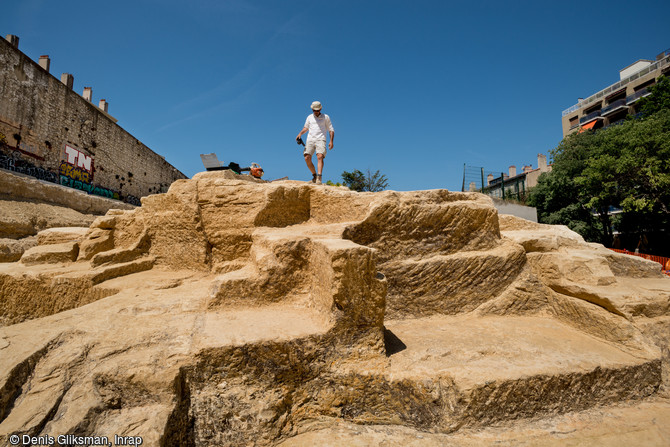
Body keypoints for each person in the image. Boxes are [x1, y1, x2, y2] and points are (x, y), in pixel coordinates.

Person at [296, 101, 334, 184]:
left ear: (320, 109)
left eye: (317, 110)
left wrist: (331, 141)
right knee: (307, 157)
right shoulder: (309, 117)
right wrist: (300, 134)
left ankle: (319, 177)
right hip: (310, 139)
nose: (316, 112)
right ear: (312, 109)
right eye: (314, 110)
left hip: (321, 139)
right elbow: (306, 128)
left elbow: (331, 130)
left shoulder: (326, 117)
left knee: (320, 156)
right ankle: (314, 176)